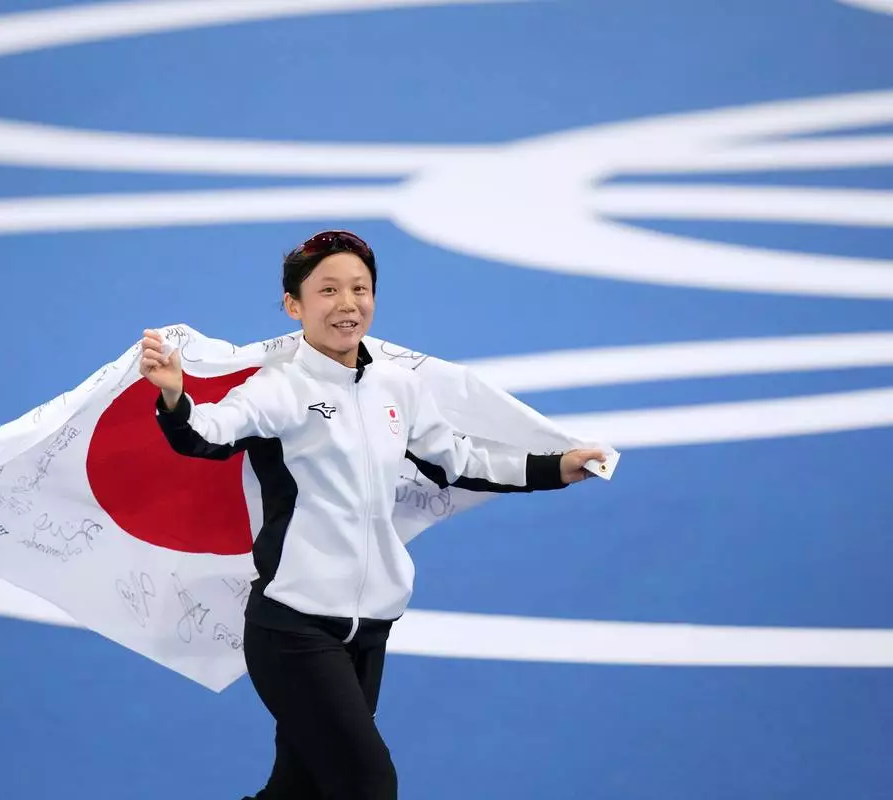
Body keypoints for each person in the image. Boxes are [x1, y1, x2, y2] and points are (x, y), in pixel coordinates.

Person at [139, 230, 605, 800]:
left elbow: (458, 462)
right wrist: (172, 397)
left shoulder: (398, 386)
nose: (347, 304)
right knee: (366, 786)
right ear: (294, 305)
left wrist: (555, 467)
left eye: (360, 289)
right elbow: (204, 435)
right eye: (328, 289)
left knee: (299, 790)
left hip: (368, 629)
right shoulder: (279, 389)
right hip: (292, 627)